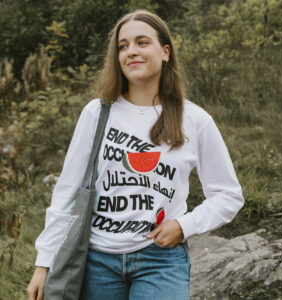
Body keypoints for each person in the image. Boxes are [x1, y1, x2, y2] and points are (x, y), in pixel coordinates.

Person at [27, 9, 244, 300]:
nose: (131, 51)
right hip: (96, 261)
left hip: (161, 261)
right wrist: (44, 263)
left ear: (165, 52)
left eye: (142, 42)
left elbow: (228, 194)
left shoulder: (195, 119)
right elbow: (66, 192)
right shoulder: (97, 112)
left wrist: (184, 225)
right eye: (123, 46)